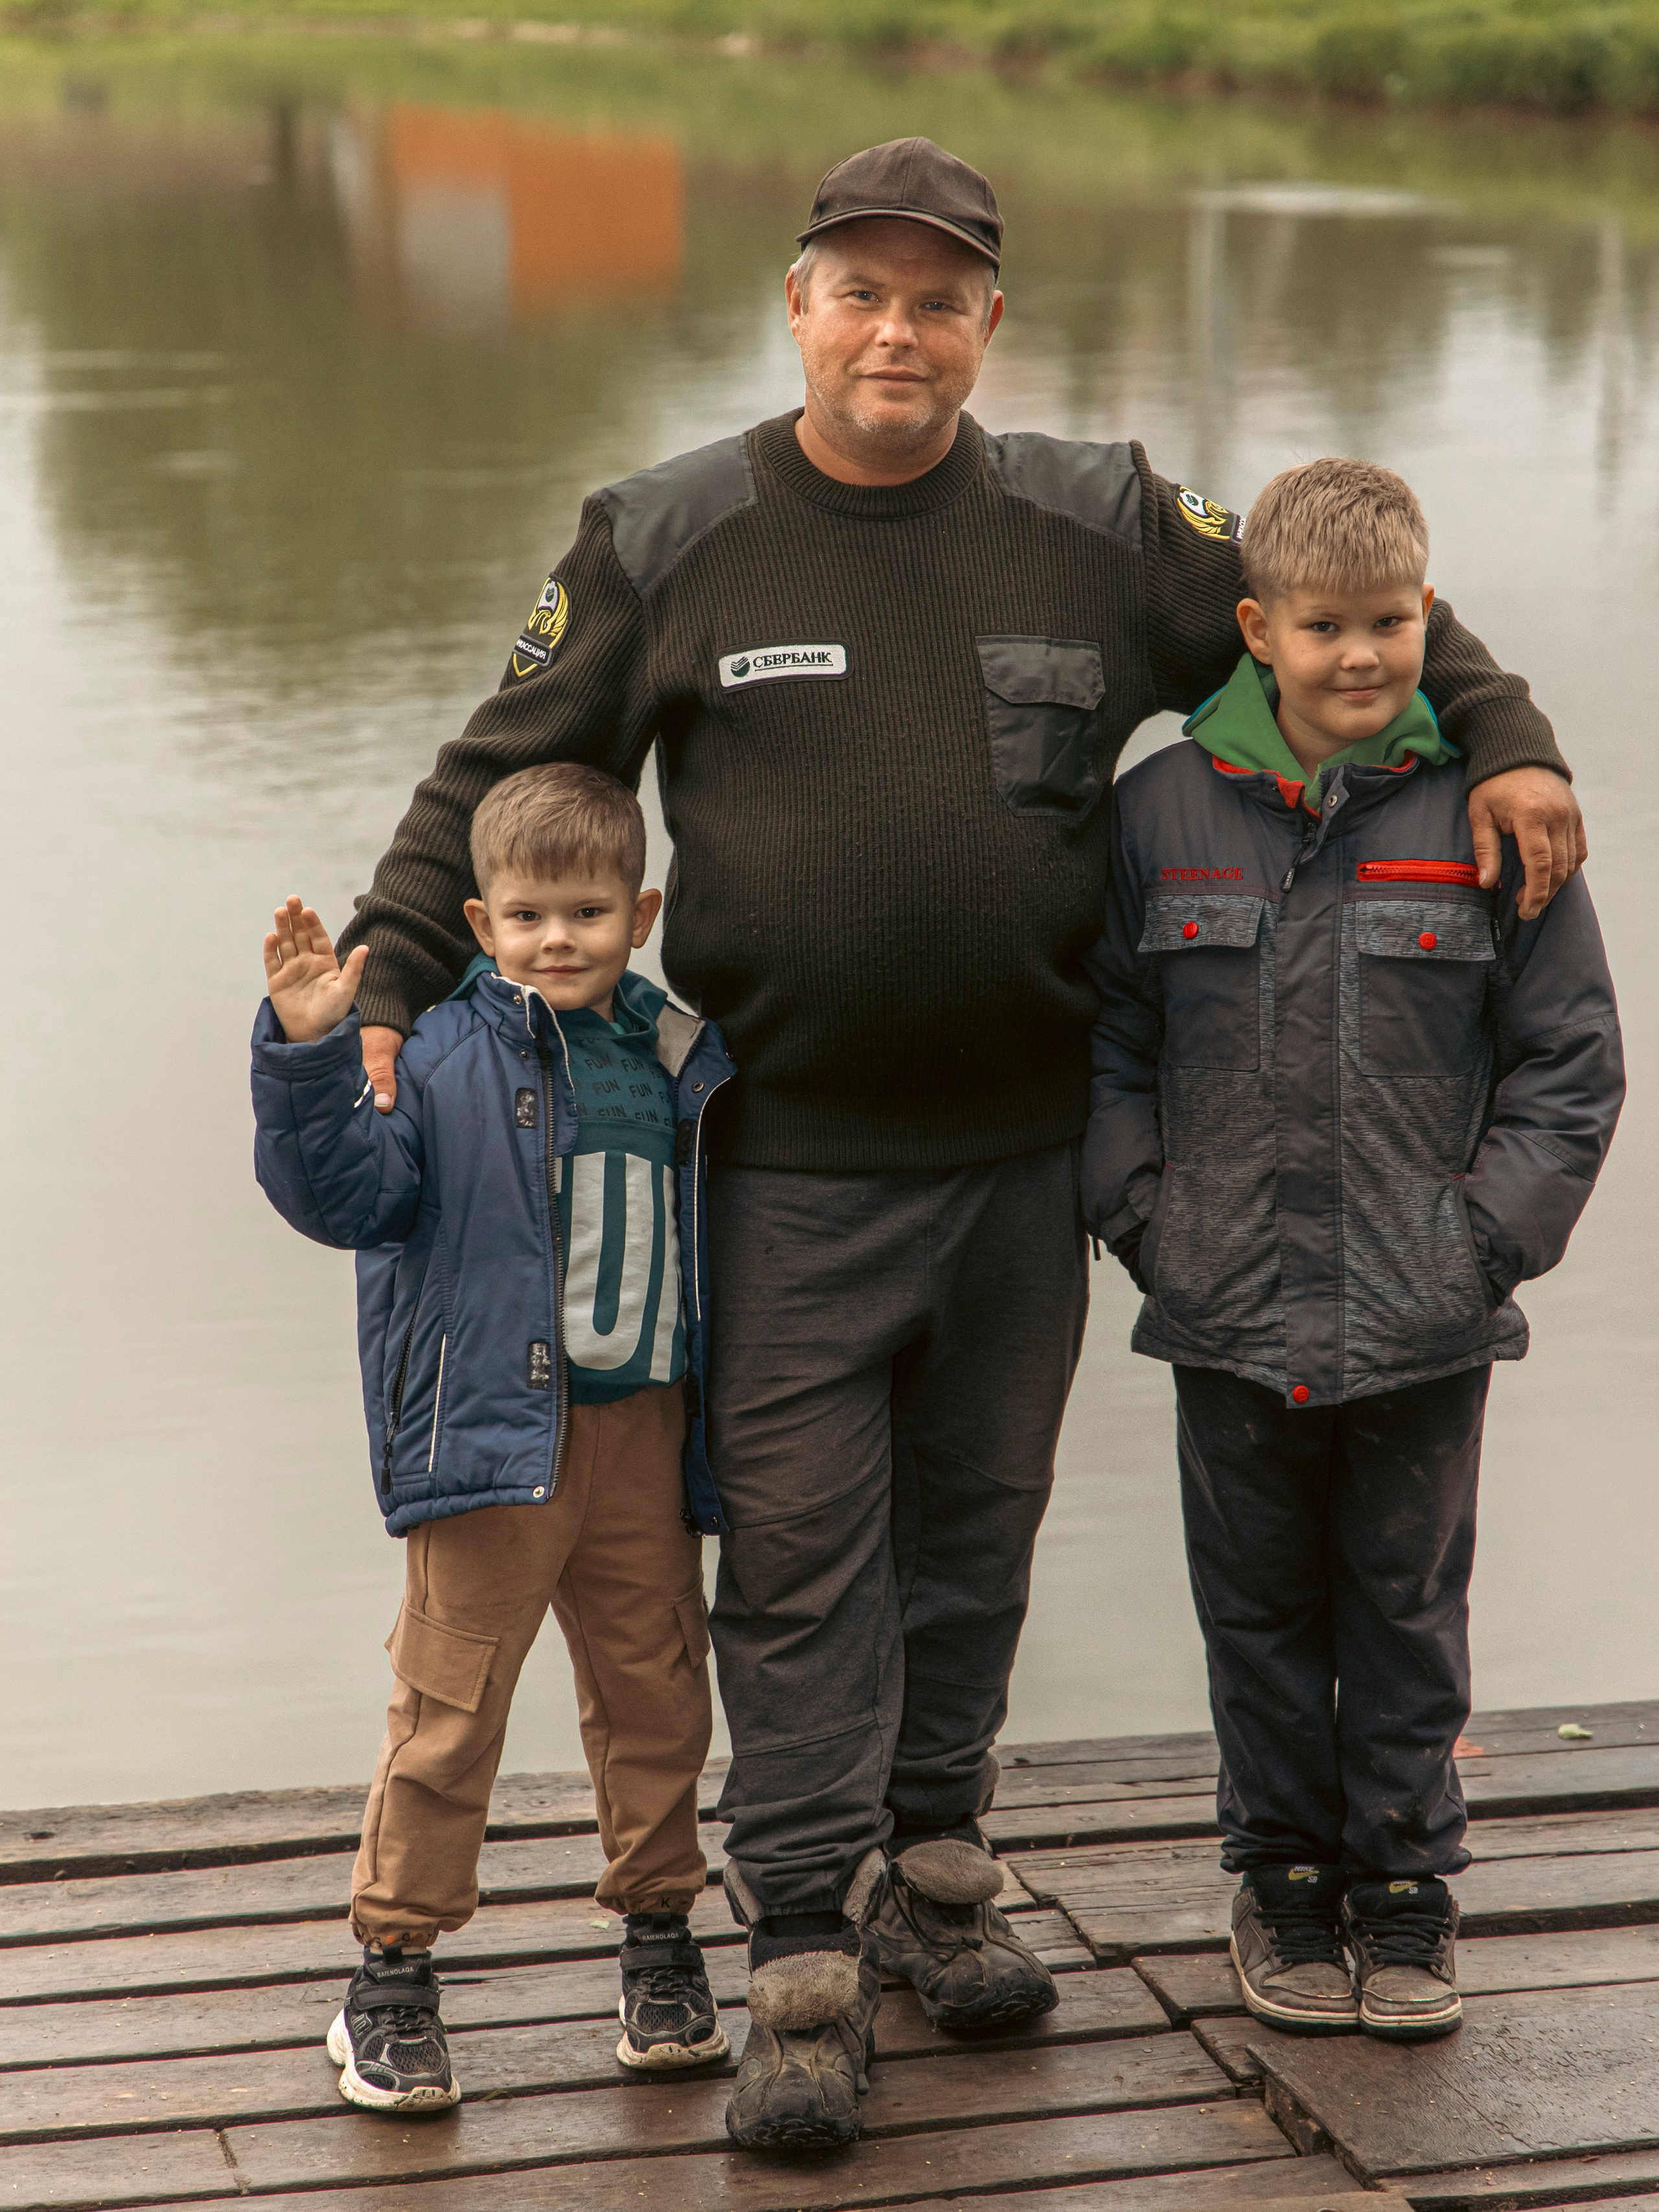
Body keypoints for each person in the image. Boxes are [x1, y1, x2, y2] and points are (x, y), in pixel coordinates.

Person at [333, 138, 1590, 2147]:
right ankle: (806, 1949)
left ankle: (938, 1869)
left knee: (976, 1541)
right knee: (808, 1560)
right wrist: (389, 986)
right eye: (862, 289)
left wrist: (1504, 726)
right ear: (799, 305)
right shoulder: (665, 531)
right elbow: (495, 770)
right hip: (785, 1167)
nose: (897, 328)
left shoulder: (1103, 521)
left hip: (1022, 1160)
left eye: (940, 297)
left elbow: (1334, 610)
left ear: (989, 322)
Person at [1084, 457, 1622, 2043]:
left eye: (1390, 622)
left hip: (1423, 1315)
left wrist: (1481, 1248)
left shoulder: (1485, 804)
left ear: (1427, 615)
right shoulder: (1156, 813)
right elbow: (1106, 1044)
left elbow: (1567, 1061)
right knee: (1252, 1617)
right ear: (1255, 628)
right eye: (1321, 625)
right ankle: (1281, 1886)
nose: (1358, 658)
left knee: (1403, 1608)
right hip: (1224, 1310)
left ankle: (1402, 1893)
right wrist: (1145, 1222)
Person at [250, 764, 737, 2110]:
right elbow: (342, 1194)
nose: (557, 939)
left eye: (586, 911)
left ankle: (658, 1942)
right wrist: (303, 1050)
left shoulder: (679, 1051)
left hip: (640, 1436)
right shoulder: (437, 1056)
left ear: (640, 913)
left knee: (656, 1697)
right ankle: (391, 1977)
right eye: (527, 916)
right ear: (477, 921)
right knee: (449, 1712)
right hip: (490, 1444)